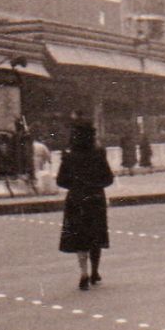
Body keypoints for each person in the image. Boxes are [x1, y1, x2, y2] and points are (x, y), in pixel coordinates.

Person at [56, 122, 114, 291]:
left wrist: (75, 186)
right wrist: (95, 185)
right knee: (96, 236)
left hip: (76, 199)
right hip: (95, 198)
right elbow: (108, 179)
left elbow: (60, 180)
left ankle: (84, 273)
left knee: (80, 236)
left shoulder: (69, 157)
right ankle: (95, 271)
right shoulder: (99, 155)